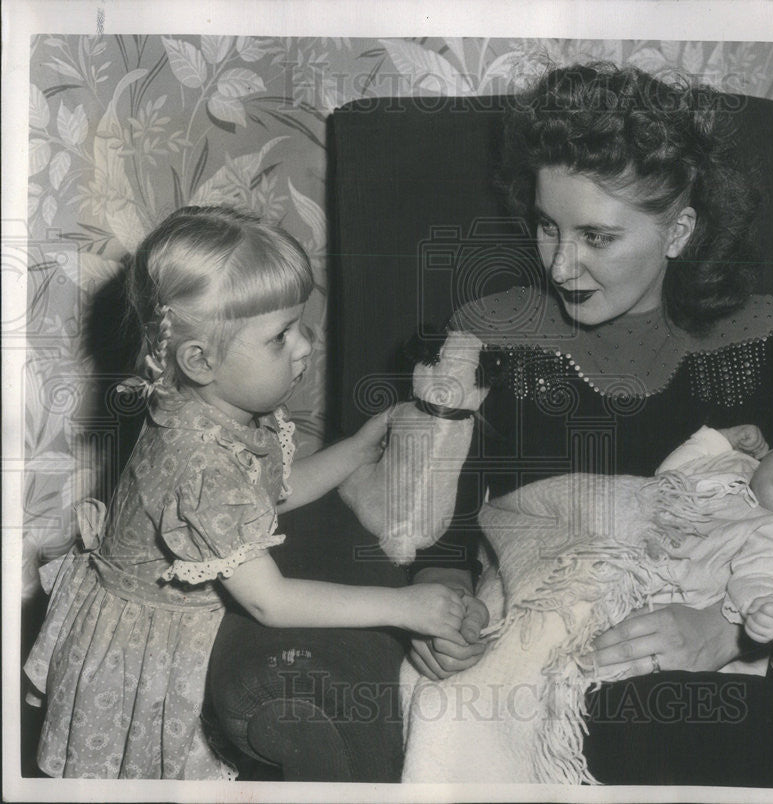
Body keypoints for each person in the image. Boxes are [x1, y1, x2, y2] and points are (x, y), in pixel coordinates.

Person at [406, 63, 773, 788]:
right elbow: (438, 527)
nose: (562, 264)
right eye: (546, 227)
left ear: (679, 231)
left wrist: (722, 634)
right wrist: (438, 608)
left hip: (714, 649)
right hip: (556, 660)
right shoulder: (490, 336)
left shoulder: (757, 339)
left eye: (597, 237)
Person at [23, 206, 470, 779]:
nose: (305, 345)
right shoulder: (198, 458)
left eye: (299, 324)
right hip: (148, 648)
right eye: (279, 336)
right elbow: (270, 601)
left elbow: (267, 498)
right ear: (201, 361)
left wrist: (354, 450)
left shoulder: (212, 412)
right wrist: (403, 606)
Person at [400, 418, 773, 783]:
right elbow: (668, 480)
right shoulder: (730, 472)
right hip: (602, 578)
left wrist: (762, 610)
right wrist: (718, 441)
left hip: (665, 645)